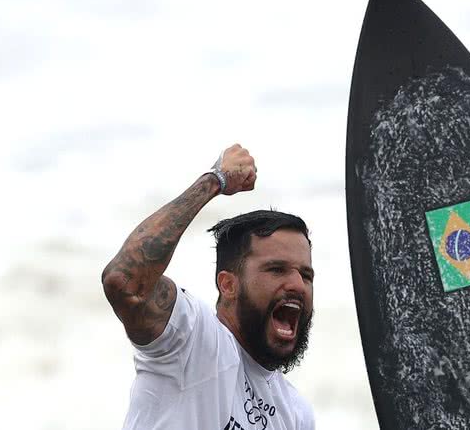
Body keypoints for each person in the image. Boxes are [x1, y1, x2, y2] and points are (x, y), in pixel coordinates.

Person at [101, 144, 315, 430]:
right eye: (276, 270)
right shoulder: (191, 340)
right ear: (228, 285)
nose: (298, 285)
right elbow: (125, 281)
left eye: (306, 275)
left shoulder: (295, 414)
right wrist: (216, 180)